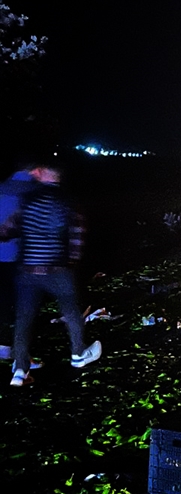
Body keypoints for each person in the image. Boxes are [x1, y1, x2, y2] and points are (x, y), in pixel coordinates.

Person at [0, 160, 100, 386]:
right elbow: (77, 234)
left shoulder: (28, 200)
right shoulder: (68, 201)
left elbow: (8, 229)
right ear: (58, 178)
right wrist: (71, 261)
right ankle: (78, 355)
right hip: (57, 268)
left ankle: (19, 370)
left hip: (27, 269)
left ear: (46, 175)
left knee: (23, 319)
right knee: (71, 310)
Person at [0, 163, 37, 362]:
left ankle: (3, 346)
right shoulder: (30, 192)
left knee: (3, 301)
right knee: (21, 304)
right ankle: (16, 351)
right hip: (17, 256)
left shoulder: (3, 188)